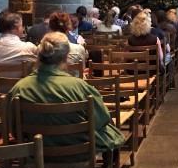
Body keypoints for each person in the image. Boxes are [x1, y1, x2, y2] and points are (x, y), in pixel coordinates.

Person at [7, 32, 124, 160]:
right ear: (66, 57)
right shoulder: (80, 87)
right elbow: (101, 120)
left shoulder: (18, 89)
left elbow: (13, 127)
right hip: (79, 150)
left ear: (39, 56)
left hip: (36, 152)